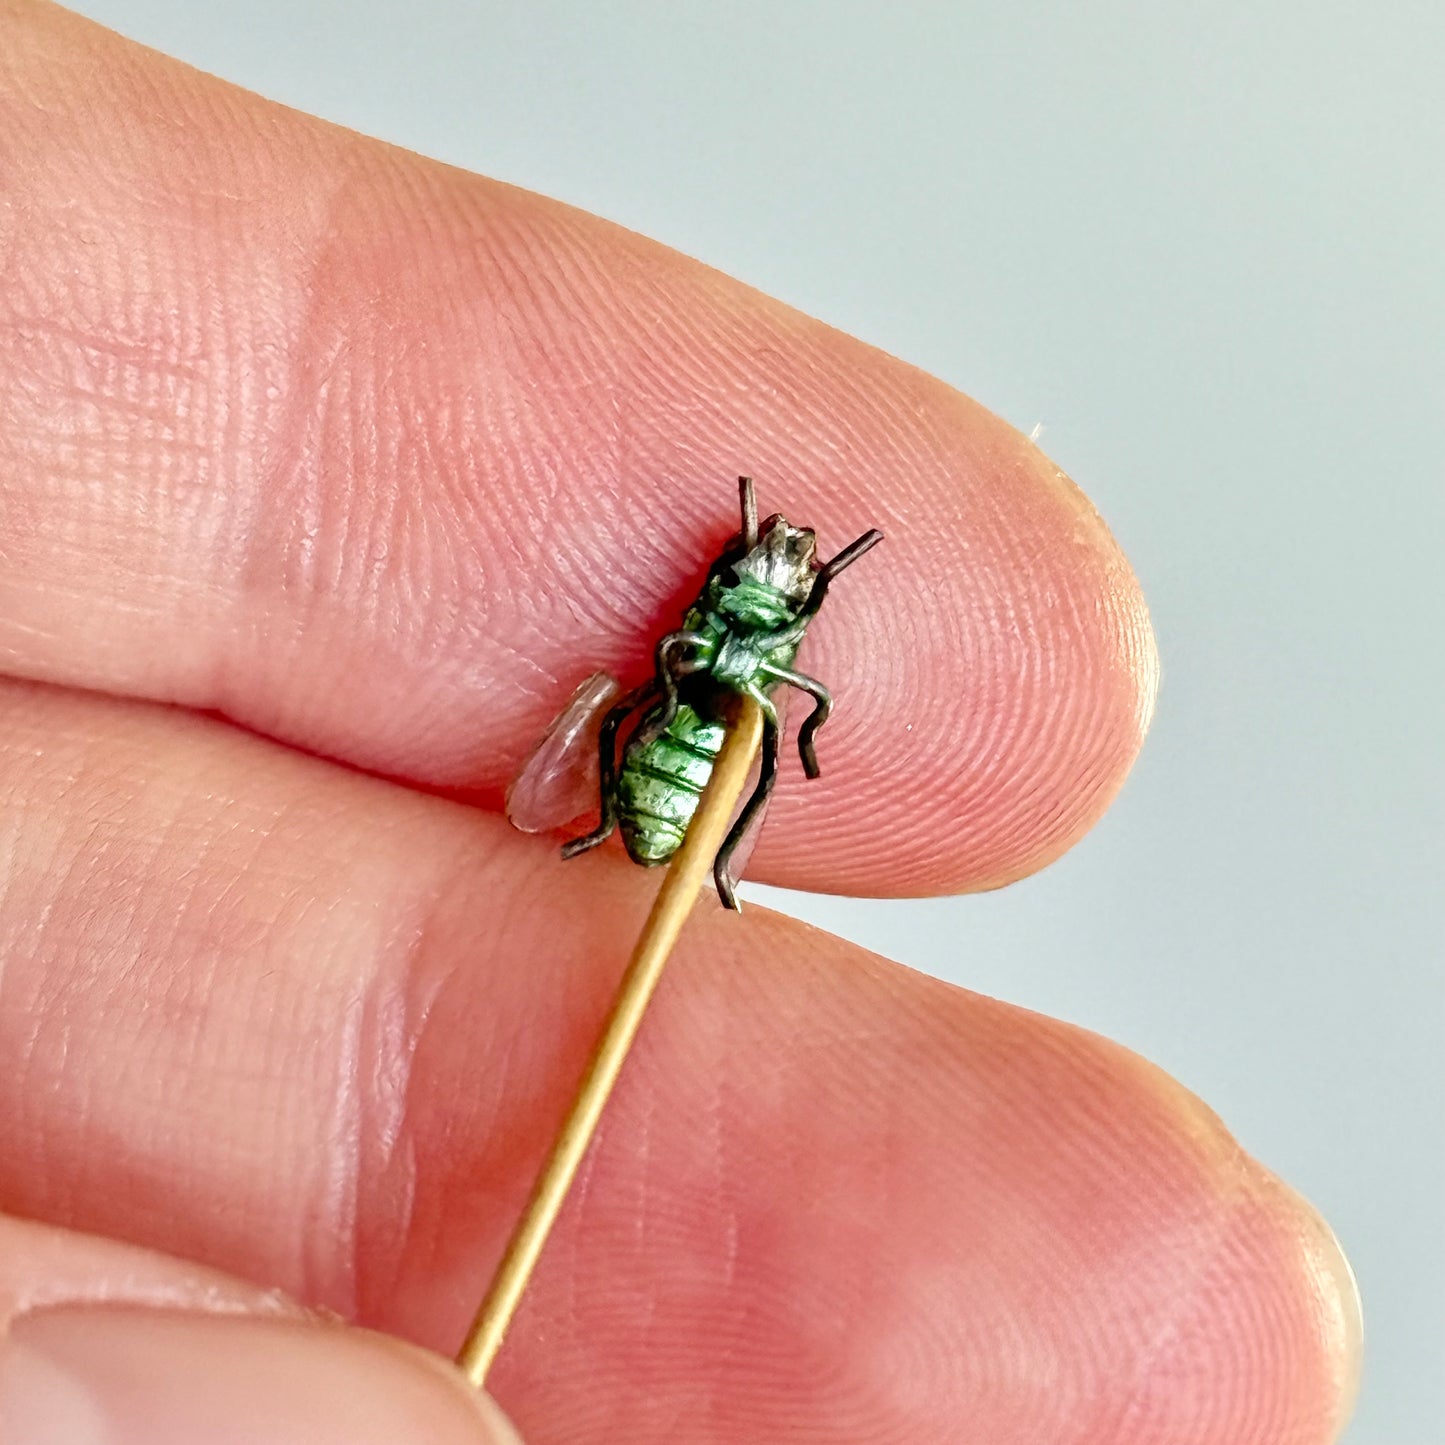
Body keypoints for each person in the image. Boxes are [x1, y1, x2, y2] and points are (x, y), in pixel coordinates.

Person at [0, 5, 1360, 1442]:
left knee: (766, 745)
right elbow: (693, 648)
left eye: (792, 571)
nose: (777, 573)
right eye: (768, 560)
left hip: (705, 735)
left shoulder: (772, 642)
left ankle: (692, 839)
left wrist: (768, 701)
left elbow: (786, 681)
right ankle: (641, 822)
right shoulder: (713, 619)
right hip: (660, 741)